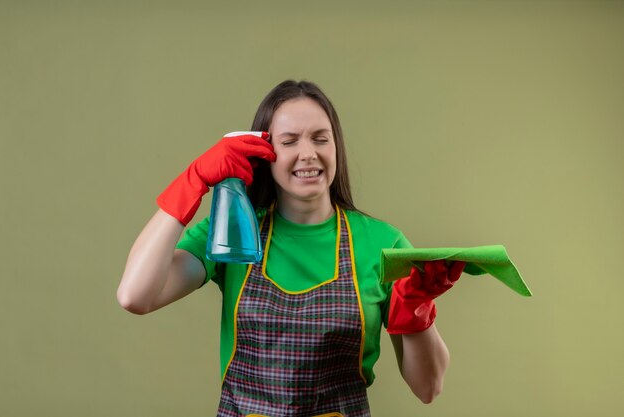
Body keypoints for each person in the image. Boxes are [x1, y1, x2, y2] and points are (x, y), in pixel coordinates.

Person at [117, 80, 465, 417]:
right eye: (289, 141)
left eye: (320, 139)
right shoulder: (234, 233)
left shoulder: (383, 244)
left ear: (336, 148)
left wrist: (416, 307)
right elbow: (136, 296)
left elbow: (427, 388)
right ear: (265, 153)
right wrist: (192, 181)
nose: (308, 153)